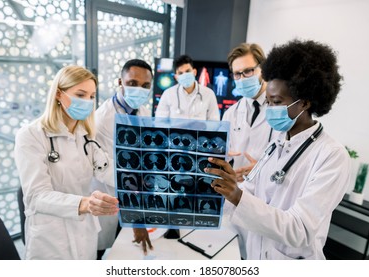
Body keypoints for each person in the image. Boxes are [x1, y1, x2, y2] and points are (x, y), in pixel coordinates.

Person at [205, 39, 351, 260]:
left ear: (305, 102)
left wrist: (236, 195)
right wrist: (217, 189)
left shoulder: (332, 156)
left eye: (276, 102)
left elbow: (299, 229)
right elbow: (249, 190)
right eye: (269, 102)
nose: (270, 109)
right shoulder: (276, 145)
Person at [14, 65, 119, 260]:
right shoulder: (31, 136)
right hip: (51, 239)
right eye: (80, 94)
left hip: (84, 232)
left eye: (91, 96)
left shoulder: (85, 135)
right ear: (59, 95)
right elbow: (36, 196)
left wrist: (142, 181)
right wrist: (85, 203)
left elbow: (106, 168)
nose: (87, 102)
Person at [92, 59, 153, 259]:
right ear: (120, 82)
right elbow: (111, 171)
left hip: (131, 193)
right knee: (97, 251)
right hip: (108, 192)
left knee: (123, 248)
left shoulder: (143, 112)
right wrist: (136, 217)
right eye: (133, 83)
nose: (139, 90)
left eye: (145, 86)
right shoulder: (104, 119)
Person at [223, 43, 278, 182]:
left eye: (248, 71)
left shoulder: (281, 110)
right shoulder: (231, 113)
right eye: (237, 74)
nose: (242, 79)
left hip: (267, 189)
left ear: (263, 70)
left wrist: (262, 170)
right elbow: (224, 153)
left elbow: (287, 156)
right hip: (237, 190)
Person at [155, 55, 220, 121]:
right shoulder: (168, 94)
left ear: (194, 72)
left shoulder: (209, 94)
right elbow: (160, 122)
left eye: (188, 71)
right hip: (175, 131)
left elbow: (214, 122)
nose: (185, 75)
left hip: (200, 131)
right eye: (180, 73)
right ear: (176, 77)